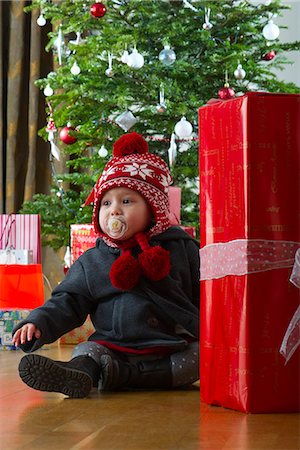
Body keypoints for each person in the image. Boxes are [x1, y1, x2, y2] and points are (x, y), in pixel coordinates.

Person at [12, 132, 200, 398]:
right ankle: (78, 374)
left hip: (170, 347)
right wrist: (39, 322)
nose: (114, 211)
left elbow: (206, 293)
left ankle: (121, 377)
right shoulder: (93, 260)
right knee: (87, 351)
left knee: (199, 358)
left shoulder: (180, 248)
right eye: (106, 203)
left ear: (153, 209)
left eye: (127, 201)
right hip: (113, 347)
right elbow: (68, 300)